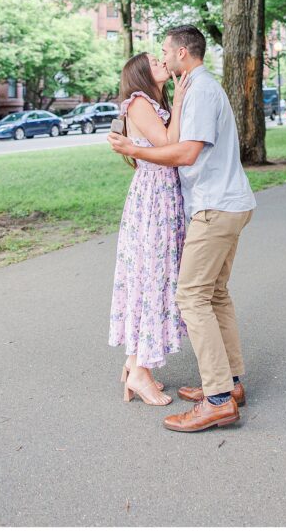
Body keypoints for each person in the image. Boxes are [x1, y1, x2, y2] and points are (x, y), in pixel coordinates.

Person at [108, 24, 256, 433]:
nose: (162, 58)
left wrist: (133, 150)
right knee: (214, 294)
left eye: (165, 52)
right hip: (221, 203)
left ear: (183, 54)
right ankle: (232, 384)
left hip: (215, 207)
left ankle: (219, 400)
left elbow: (187, 152)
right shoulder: (191, 88)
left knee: (191, 297)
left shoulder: (201, 90)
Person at [108, 52, 190, 406]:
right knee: (152, 277)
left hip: (161, 194)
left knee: (150, 277)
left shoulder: (152, 102)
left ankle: (135, 366)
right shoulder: (139, 102)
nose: (162, 61)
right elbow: (169, 145)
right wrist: (182, 97)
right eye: (154, 61)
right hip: (154, 197)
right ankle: (139, 371)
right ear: (141, 73)